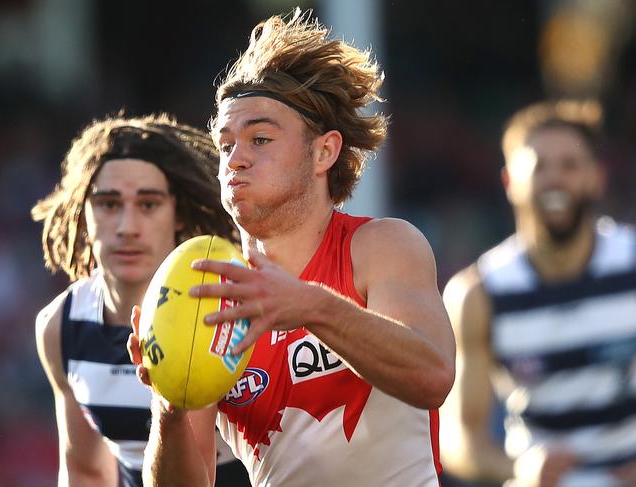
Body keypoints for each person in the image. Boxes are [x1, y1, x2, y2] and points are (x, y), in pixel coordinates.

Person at [127, 9, 456, 487]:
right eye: (224, 145)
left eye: (260, 139)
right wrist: (169, 408)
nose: (235, 160)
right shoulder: (205, 289)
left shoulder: (381, 245)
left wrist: (309, 305)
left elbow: (433, 376)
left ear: (324, 152)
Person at [32, 114, 249, 487]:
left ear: (177, 214)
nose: (127, 227)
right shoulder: (60, 325)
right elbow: (85, 471)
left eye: (148, 205)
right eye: (109, 204)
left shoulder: (224, 302)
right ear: (83, 215)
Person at [441, 99, 636, 487]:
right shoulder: (478, 293)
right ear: (510, 182)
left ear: (597, 177)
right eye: (539, 166)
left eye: (569, 165)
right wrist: (518, 471)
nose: (555, 179)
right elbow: (458, 438)